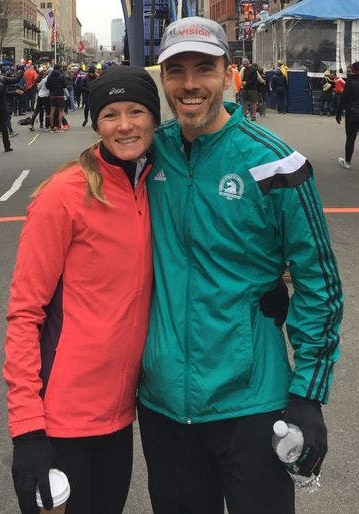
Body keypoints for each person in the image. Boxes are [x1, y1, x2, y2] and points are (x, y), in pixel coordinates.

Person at [139, 16, 344, 514]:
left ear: (229, 74)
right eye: (176, 71)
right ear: (162, 80)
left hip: (252, 400)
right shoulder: (149, 154)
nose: (190, 84)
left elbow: (320, 281)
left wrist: (308, 394)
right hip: (163, 403)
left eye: (204, 68)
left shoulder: (276, 163)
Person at [4, 65, 161, 514]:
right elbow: (24, 313)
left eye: (136, 111)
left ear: (154, 117)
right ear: (96, 123)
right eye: (111, 114)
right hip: (60, 420)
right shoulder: (64, 195)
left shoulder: (153, 185)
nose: (125, 125)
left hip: (118, 414)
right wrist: (27, 430)